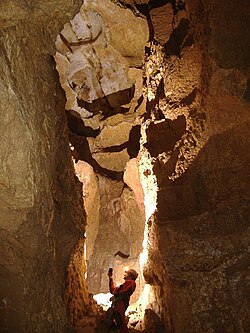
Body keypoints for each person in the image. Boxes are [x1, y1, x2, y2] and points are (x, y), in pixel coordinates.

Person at [107, 267, 138, 333]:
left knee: (120, 321)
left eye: (126, 273)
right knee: (110, 321)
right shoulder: (123, 285)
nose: (124, 274)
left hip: (121, 305)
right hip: (116, 305)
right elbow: (113, 291)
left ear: (131, 275)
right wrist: (110, 278)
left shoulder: (131, 283)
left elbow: (127, 292)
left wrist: (116, 296)